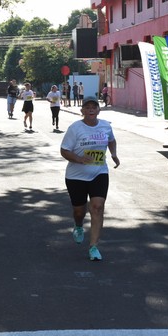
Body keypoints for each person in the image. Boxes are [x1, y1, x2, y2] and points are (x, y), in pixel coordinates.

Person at [60, 99, 121, 261]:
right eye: (87, 108)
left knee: (97, 206)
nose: (91, 110)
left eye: (94, 107)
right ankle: (79, 226)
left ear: (99, 110)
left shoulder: (106, 126)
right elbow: (64, 150)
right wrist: (79, 159)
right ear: (82, 111)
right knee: (79, 211)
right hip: (76, 176)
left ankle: (93, 247)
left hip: (99, 173)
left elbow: (111, 140)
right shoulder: (75, 128)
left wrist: (113, 154)